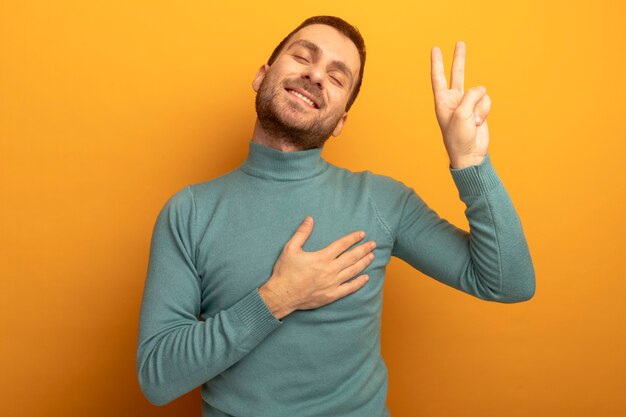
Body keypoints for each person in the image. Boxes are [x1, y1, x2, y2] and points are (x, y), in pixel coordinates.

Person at [136, 15, 535, 417]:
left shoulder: (381, 201)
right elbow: (157, 377)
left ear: (341, 120)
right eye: (302, 56)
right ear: (262, 75)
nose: (315, 74)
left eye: (337, 76)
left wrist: (470, 162)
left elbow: (509, 282)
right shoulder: (189, 212)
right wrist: (277, 298)